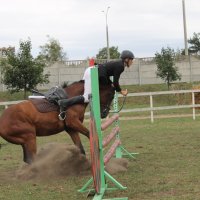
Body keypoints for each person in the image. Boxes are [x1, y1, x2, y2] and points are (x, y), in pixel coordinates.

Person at [58, 50, 134, 118]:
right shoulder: (120, 66)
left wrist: (112, 85)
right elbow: (116, 82)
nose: (132, 62)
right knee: (87, 97)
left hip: (93, 71)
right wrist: (121, 91)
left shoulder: (119, 64)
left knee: (87, 94)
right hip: (93, 73)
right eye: (131, 60)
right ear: (126, 59)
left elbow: (110, 80)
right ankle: (64, 103)